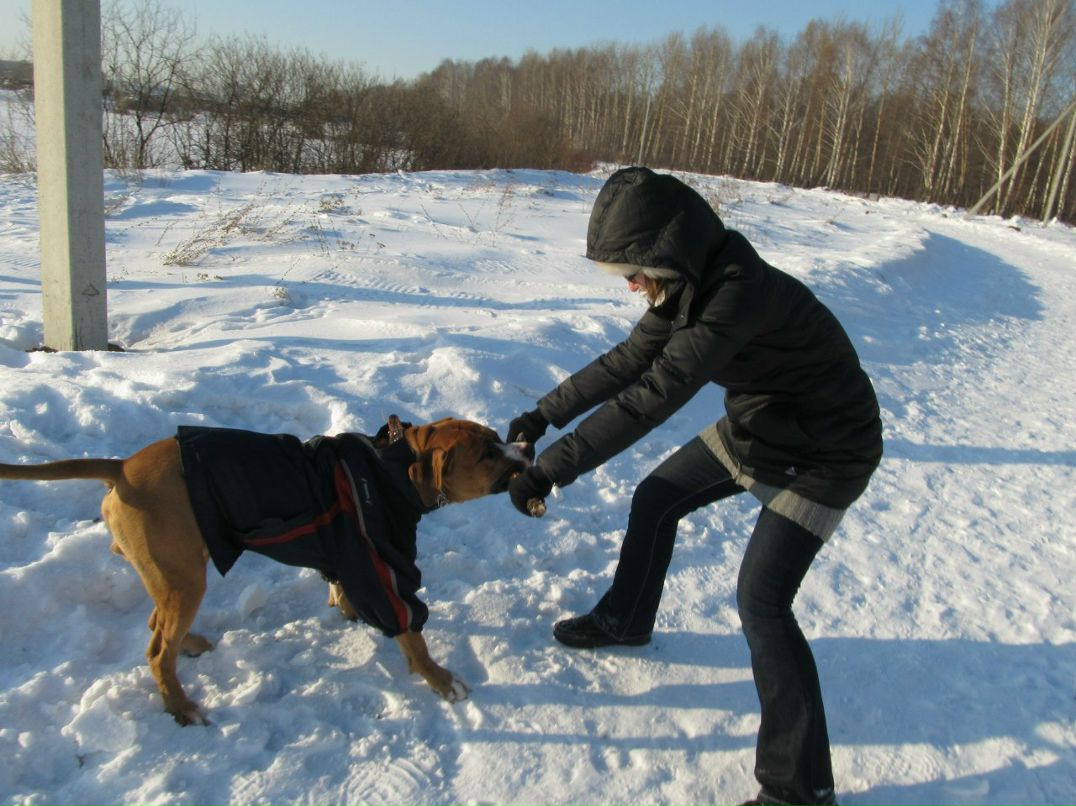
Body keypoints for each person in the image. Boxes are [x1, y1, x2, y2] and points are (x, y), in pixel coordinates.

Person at [505, 166, 883, 806]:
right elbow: (626, 363)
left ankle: (799, 790)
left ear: (665, 254)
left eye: (631, 268)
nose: (628, 284)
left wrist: (550, 469)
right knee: (656, 498)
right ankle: (625, 620)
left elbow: (650, 400)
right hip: (758, 428)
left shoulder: (735, 295)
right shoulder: (685, 287)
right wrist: (542, 414)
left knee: (762, 603)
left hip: (828, 452)